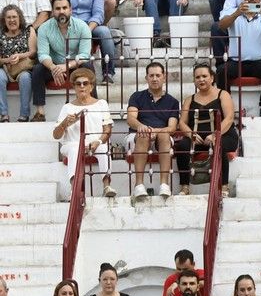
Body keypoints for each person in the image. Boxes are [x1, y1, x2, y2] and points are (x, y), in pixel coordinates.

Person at [216, 0, 261, 118]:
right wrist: (236, 14)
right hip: (236, 61)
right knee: (221, 71)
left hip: (259, 61)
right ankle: (225, 108)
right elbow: (221, 26)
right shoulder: (233, 12)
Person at [174, 63, 238, 196]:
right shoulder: (189, 99)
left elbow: (229, 118)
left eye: (204, 76)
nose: (201, 79)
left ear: (212, 78)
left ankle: (224, 186)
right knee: (182, 146)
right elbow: (182, 123)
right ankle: (185, 186)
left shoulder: (223, 94)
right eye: (197, 77)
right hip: (197, 138)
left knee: (218, 144)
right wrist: (190, 134)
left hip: (224, 135)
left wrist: (215, 135)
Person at [51, 65, 111, 200]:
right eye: (78, 84)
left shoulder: (101, 104)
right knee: (74, 148)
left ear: (91, 86)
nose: (82, 86)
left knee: (104, 148)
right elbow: (56, 135)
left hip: (95, 143)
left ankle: (107, 186)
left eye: (85, 83)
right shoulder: (67, 107)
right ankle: (75, 189)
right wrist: (64, 123)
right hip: (72, 143)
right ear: (74, 87)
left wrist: (98, 142)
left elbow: (107, 130)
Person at [124, 61, 179, 199]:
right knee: (143, 134)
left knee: (165, 134)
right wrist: (141, 127)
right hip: (137, 136)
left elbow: (172, 127)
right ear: (146, 78)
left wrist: (155, 131)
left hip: (162, 138)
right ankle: (139, 185)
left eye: (158, 75)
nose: (155, 79)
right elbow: (131, 119)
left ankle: (164, 185)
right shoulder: (136, 96)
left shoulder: (173, 101)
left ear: (164, 77)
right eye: (151, 75)